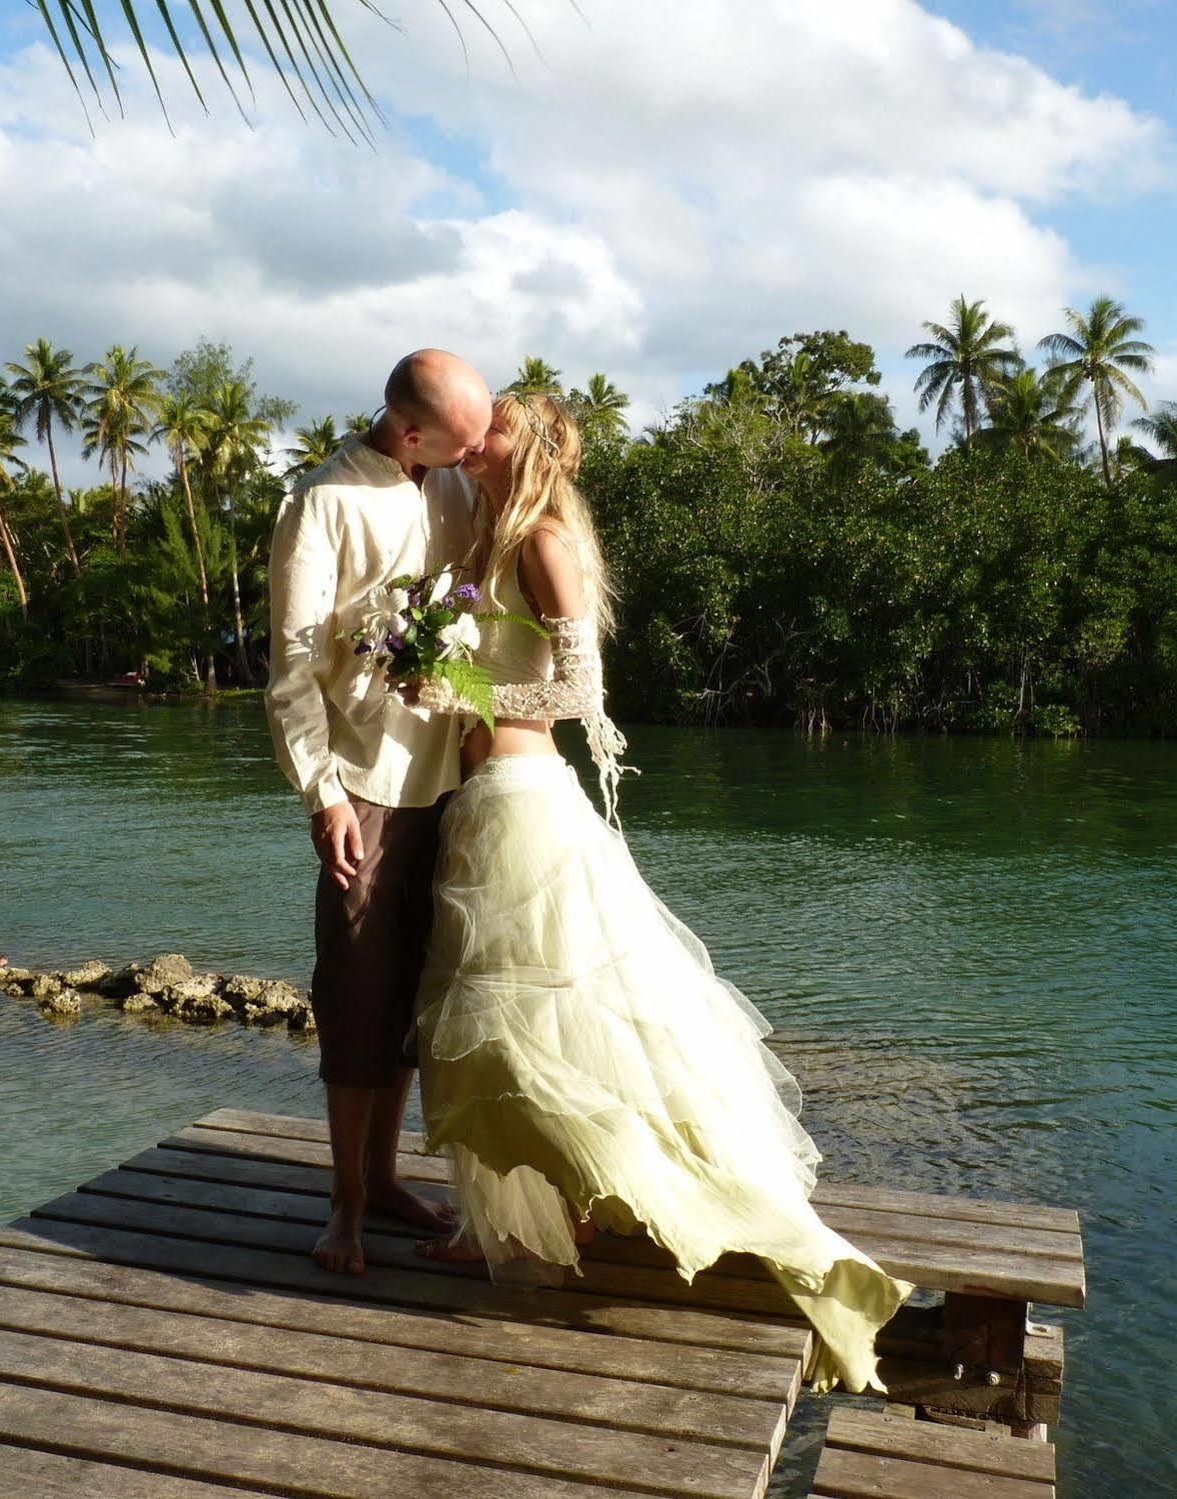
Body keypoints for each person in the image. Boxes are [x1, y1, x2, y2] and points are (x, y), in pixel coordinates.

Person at [404, 392, 914, 1393]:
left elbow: (579, 694)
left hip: (520, 796)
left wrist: (456, 689)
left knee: (514, 1017)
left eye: (496, 423)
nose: (478, 435)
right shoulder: (482, 531)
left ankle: (530, 1223)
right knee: (518, 1019)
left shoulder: (545, 539)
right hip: (479, 794)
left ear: (537, 447)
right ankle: (539, 1211)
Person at [265, 348, 492, 1275]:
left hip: (455, 779)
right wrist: (323, 796)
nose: (476, 459)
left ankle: (388, 1177)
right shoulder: (321, 503)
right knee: (355, 996)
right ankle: (346, 1203)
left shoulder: (454, 489)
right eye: (462, 443)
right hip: (362, 785)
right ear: (409, 433)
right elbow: (289, 674)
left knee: (412, 998)